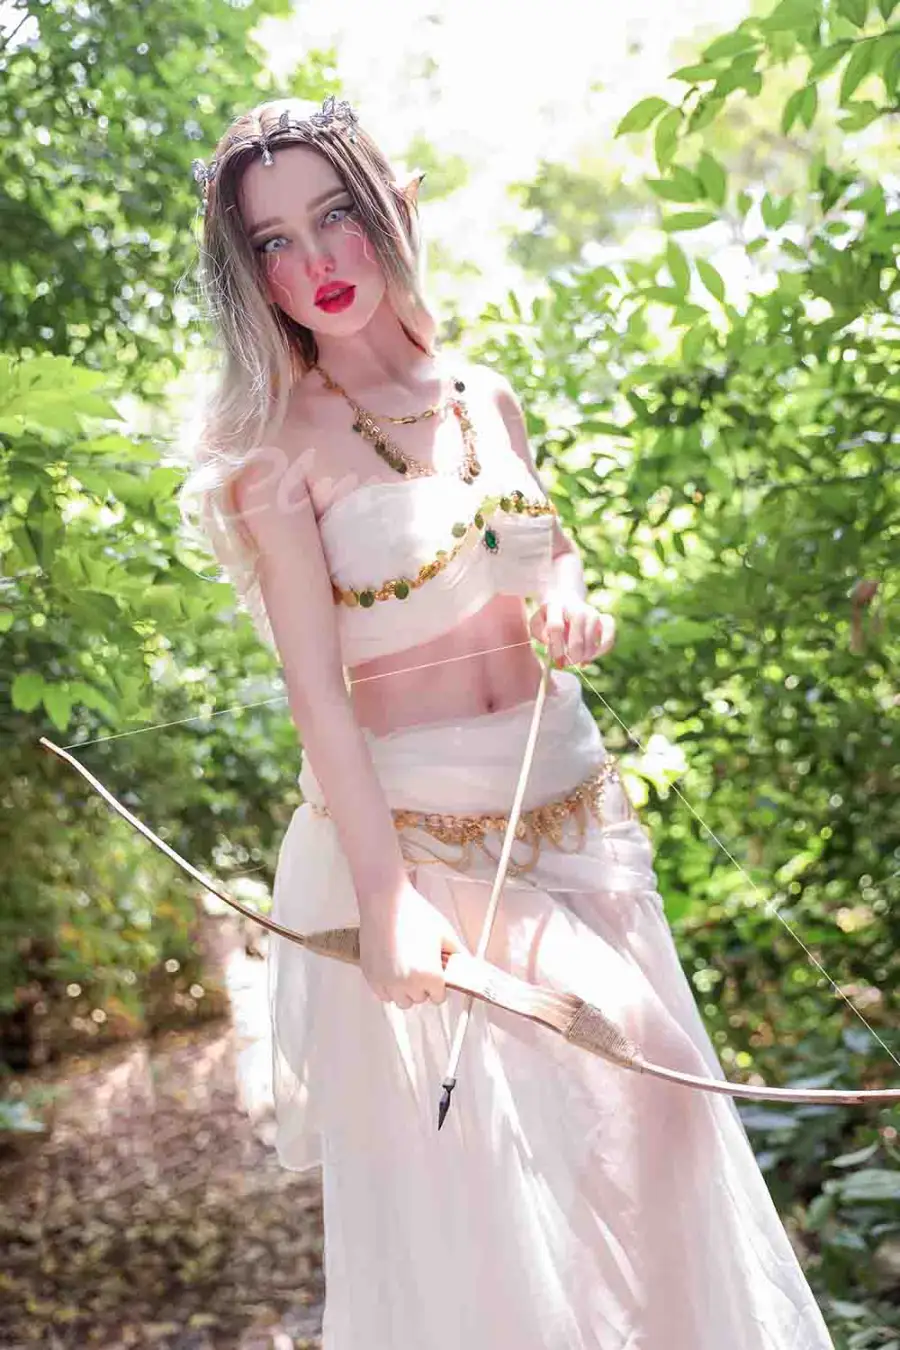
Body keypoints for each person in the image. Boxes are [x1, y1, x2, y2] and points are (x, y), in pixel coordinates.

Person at [179, 95, 836, 1350]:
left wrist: (569, 604)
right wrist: (385, 898)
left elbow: (545, 549)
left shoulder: (484, 394)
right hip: (429, 836)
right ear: (247, 272)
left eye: (336, 216)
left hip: (575, 803)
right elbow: (317, 695)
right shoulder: (274, 453)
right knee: (560, 1140)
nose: (315, 262)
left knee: (644, 1140)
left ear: (395, 208)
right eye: (272, 242)